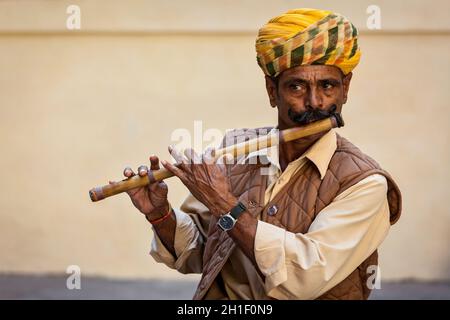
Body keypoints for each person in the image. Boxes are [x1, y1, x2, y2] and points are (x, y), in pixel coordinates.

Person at [116, 8, 402, 300]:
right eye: (297, 86)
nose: (315, 102)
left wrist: (224, 204)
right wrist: (160, 214)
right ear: (271, 90)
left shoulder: (365, 184)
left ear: (345, 89)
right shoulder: (234, 149)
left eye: (327, 86)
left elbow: (304, 278)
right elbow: (201, 252)